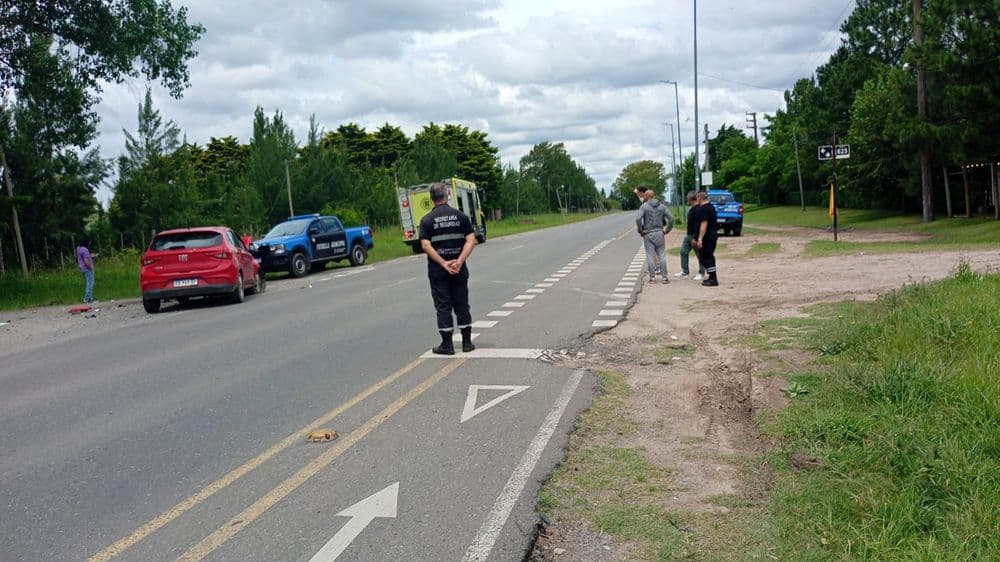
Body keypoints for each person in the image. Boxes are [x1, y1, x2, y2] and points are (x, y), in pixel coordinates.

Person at [419, 182, 478, 355]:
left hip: (438, 271)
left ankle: (447, 345)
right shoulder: (461, 217)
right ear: (447, 195)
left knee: (443, 305)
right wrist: (459, 261)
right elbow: (471, 240)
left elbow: (425, 245)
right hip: (459, 269)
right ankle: (467, 343)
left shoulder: (427, 220)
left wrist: (443, 263)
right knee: (461, 303)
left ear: (431, 199)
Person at [635, 186, 674, 283]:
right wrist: (668, 229)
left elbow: (638, 218)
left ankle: (652, 278)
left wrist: (640, 230)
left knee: (650, 255)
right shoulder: (661, 206)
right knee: (662, 255)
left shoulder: (644, 206)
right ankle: (664, 277)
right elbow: (671, 218)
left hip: (648, 232)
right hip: (660, 232)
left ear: (646, 196)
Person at [675, 191, 706, 280]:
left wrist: (696, 238)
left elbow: (698, 225)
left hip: (694, 235)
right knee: (683, 251)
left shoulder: (698, 209)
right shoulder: (691, 209)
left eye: (687, 199)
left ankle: (701, 272)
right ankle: (685, 271)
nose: (687, 200)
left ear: (690, 199)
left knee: (699, 254)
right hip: (688, 235)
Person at [692, 191, 720, 286]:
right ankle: (711, 276)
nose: (697, 200)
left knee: (705, 257)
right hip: (712, 235)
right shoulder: (711, 207)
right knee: (707, 256)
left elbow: (704, 224)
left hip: (707, 237)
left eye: (697, 198)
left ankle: (713, 278)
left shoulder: (704, 209)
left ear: (700, 198)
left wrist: (700, 239)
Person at [76, 238, 96, 303]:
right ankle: (88, 298)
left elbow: (83, 257)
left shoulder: (78, 248)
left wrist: (90, 256)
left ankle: (88, 297)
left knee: (88, 283)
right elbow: (86, 261)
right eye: (89, 242)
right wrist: (90, 267)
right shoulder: (85, 250)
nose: (90, 244)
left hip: (82, 268)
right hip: (87, 269)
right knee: (90, 283)